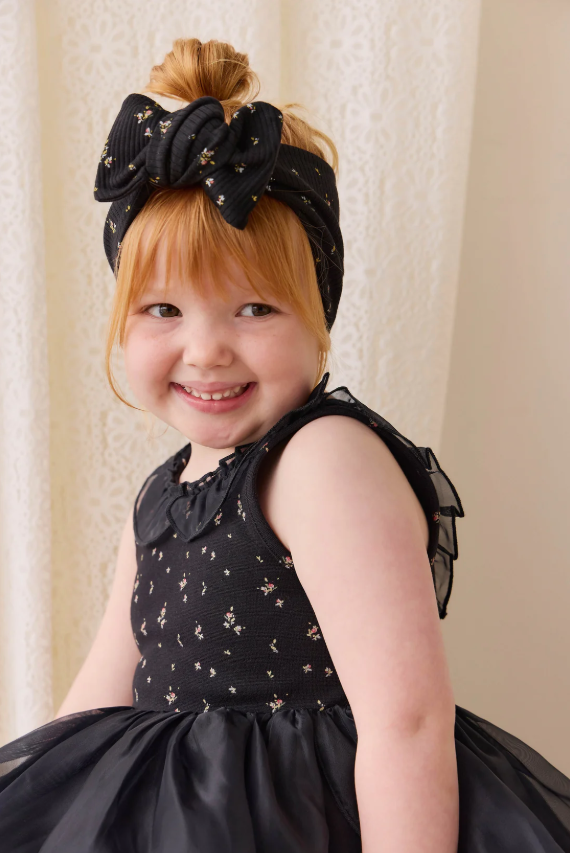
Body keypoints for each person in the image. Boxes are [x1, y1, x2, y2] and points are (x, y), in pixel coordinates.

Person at [1, 35, 569, 853]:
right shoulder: (162, 493)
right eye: (164, 310)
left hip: (306, 820)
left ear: (317, 315)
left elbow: (406, 720)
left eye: (254, 309)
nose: (205, 350)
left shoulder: (322, 460)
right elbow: (99, 694)